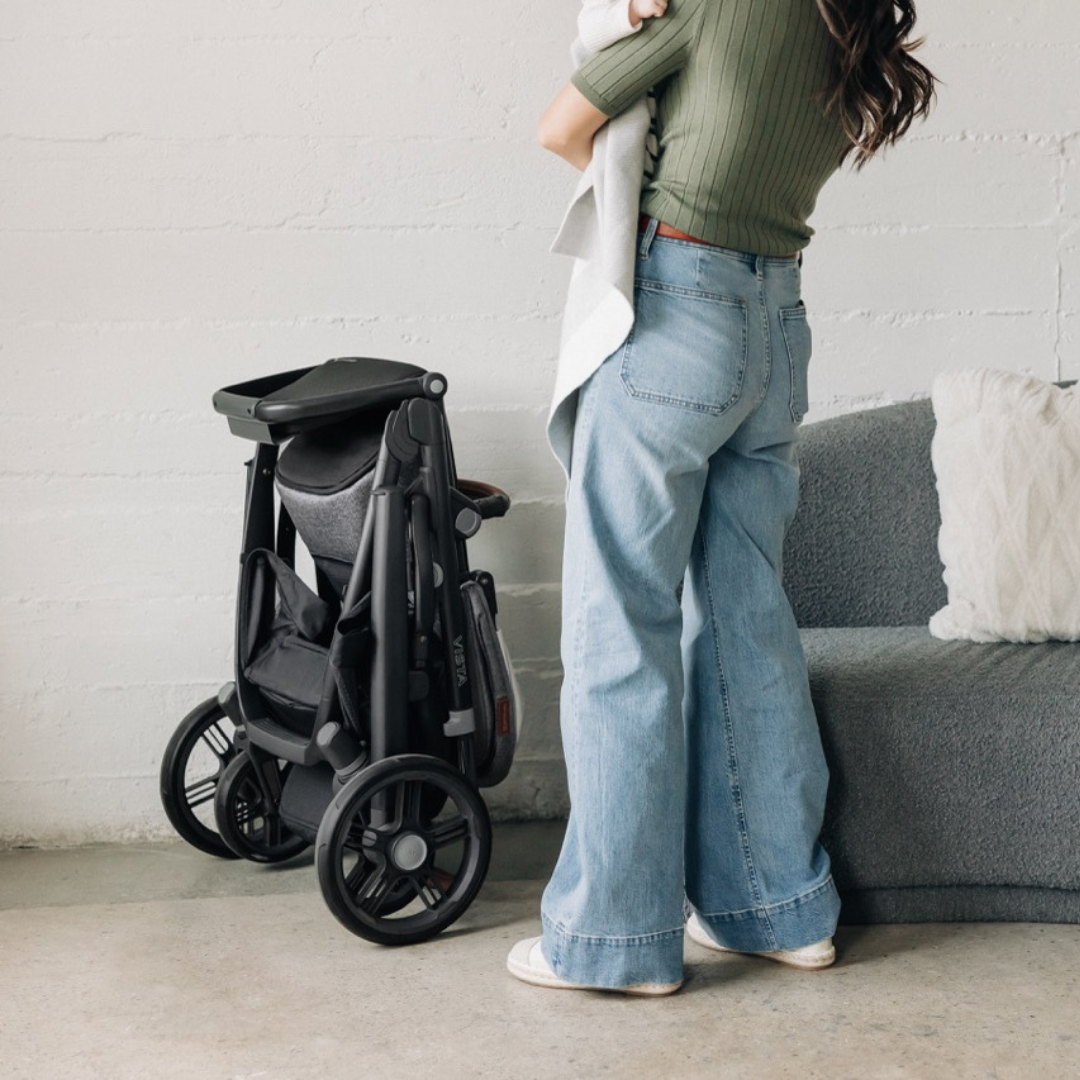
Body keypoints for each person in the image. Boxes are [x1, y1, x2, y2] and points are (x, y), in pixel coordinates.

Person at [509, 0, 937, 995]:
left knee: (621, 626)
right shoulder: (850, 26)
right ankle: (777, 909)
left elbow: (561, 128)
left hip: (675, 310)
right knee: (748, 623)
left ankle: (614, 942)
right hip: (775, 322)